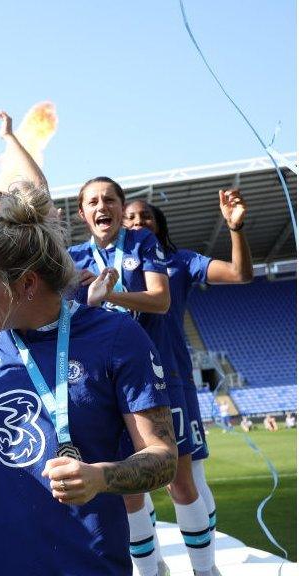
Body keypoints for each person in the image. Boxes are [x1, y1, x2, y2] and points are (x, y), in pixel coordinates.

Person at [0, 185, 177, 575]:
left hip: (84, 560)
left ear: (27, 283)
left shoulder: (116, 336)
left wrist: (100, 477)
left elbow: (163, 459)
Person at [70, 176, 214, 576]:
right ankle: (151, 571)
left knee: (179, 480)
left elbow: (161, 300)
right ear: (82, 213)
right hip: (104, 384)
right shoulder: (72, 259)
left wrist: (108, 293)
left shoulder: (141, 244)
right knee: (128, 488)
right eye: (93, 201)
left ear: (120, 207)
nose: (103, 206)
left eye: (110, 199)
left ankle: (206, 570)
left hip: (156, 377)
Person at [123, 190, 253, 554]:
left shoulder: (178, 261)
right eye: (129, 218)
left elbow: (241, 274)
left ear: (158, 225)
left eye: (145, 217)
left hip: (172, 377)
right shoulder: (107, 267)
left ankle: (207, 558)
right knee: (130, 482)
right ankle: (153, 564)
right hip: (123, 383)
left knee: (188, 477)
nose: (137, 223)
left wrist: (235, 228)